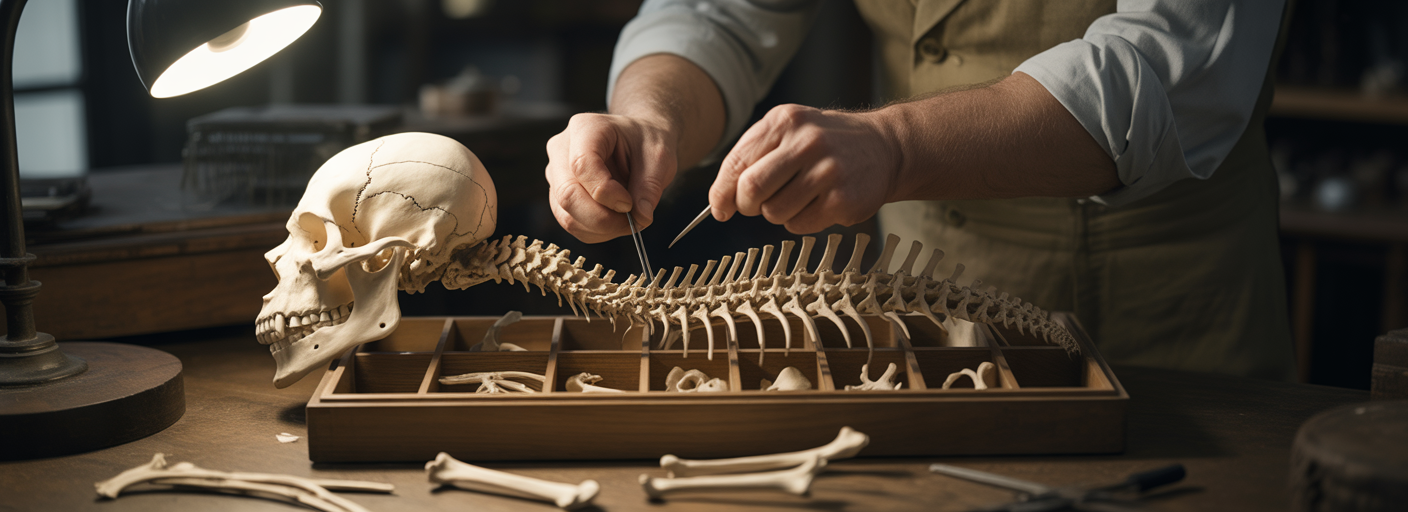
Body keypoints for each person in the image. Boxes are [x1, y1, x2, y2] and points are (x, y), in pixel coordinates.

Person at [544, 0, 1294, 380]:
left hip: (1165, 306)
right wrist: (651, 114)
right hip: (917, 296)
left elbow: (1169, 69)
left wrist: (897, 145)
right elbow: (719, 12)